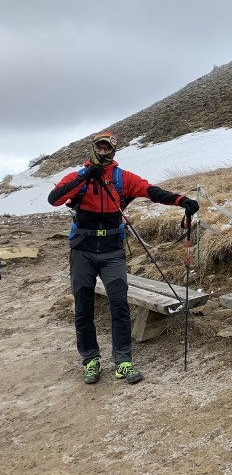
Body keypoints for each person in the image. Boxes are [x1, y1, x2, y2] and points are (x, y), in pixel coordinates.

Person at [48, 131, 199, 385]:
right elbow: (55, 199)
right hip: (82, 249)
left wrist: (182, 200)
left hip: (112, 251)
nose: (103, 151)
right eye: (99, 147)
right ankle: (91, 360)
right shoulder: (78, 176)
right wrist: (85, 175)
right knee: (83, 307)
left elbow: (151, 191)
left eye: (107, 148)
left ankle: (123, 361)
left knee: (119, 304)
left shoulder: (122, 178)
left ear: (114, 150)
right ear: (93, 148)